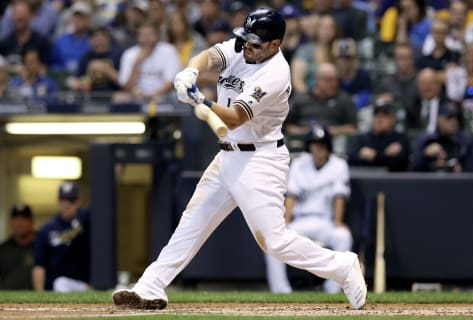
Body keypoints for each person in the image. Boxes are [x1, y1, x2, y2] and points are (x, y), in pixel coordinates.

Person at [112, 8, 367, 310]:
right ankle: (150, 285)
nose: (247, 45)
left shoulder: (275, 74)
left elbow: (233, 118)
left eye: (256, 43)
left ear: (275, 45)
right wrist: (190, 71)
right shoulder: (241, 46)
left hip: (260, 160)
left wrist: (201, 99)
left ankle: (342, 266)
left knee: (274, 242)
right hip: (228, 154)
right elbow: (207, 56)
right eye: (246, 39)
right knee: (192, 222)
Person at [265, 125, 353, 294]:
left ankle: (332, 290)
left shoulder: (339, 165)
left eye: (322, 144)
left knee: (343, 236)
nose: (318, 148)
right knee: (273, 238)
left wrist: (338, 222)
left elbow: (339, 196)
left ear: (328, 146)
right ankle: (281, 290)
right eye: (315, 144)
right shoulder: (299, 164)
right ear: (309, 146)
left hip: (325, 221)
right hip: (301, 220)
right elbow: (291, 195)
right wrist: (285, 222)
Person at [32, 181, 91, 292]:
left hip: (84, 284)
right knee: (61, 283)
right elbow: (39, 265)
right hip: (56, 286)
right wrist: (39, 293)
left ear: (78, 201)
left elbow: (104, 199)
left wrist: (116, 169)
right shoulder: (47, 229)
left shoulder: (86, 219)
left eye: (71, 200)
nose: (66, 204)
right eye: (63, 200)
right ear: (58, 201)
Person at [113, 21, 180, 103]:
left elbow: (171, 82)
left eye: (149, 35)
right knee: (118, 97)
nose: (146, 39)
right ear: (138, 37)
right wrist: (136, 63)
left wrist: (152, 95)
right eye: (143, 35)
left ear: (157, 35)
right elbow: (126, 86)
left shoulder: (169, 50)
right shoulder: (129, 54)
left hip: (164, 96)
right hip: (136, 96)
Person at [287, 62, 357, 137]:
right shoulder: (300, 98)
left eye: (336, 80)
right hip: (303, 141)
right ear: (317, 79)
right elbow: (286, 126)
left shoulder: (344, 99)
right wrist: (308, 133)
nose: (334, 84)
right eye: (329, 80)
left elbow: (352, 128)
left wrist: (327, 132)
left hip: (335, 141)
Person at [412, 102, 473, 172]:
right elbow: (414, 168)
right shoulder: (426, 139)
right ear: (439, 119)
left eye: (456, 117)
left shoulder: (468, 141)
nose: (454, 121)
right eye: (449, 117)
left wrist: (461, 169)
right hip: (430, 181)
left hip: (458, 181)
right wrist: (425, 154)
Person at [348, 103, 411, 171]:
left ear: (392, 119)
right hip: (367, 178)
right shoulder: (362, 138)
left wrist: (374, 156)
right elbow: (351, 159)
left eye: (384, 116)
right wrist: (386, 155)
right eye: (376, 116)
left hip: (394, 179)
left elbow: (401, 162)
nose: (379, 120)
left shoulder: (400, 138)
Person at [0, 204, 36, 290]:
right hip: (6, 300)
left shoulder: (42, 246)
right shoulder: (3, 249)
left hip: (38, 300)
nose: (19, 223)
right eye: (16, 219)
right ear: (11, 222)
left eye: (24, 219)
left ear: (31, 221)